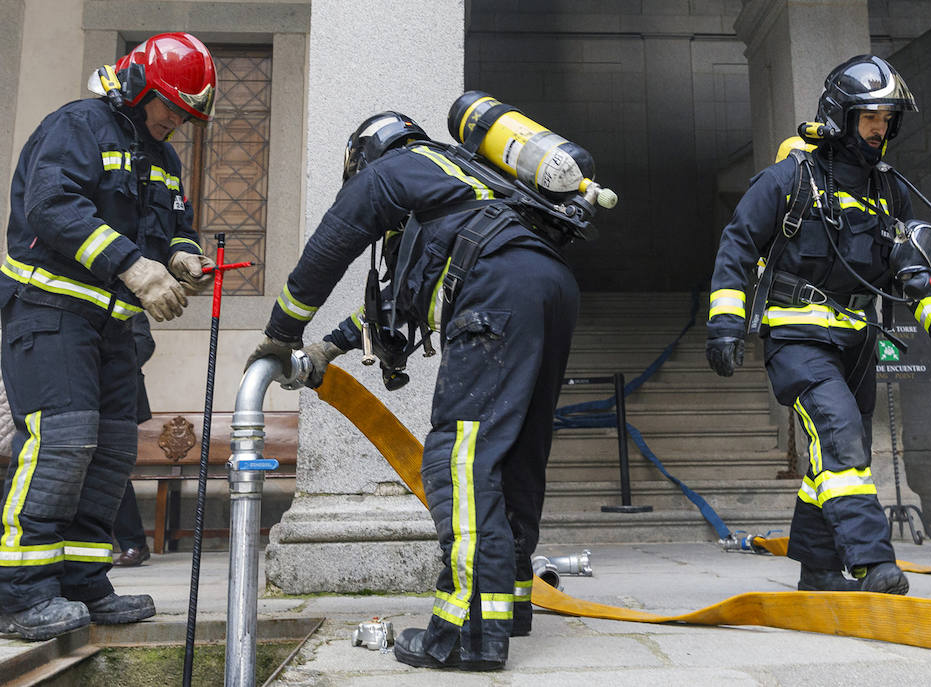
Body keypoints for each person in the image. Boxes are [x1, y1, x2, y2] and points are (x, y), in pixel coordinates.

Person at [247, 108, 586, 671]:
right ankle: (510, 604)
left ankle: (467, 631)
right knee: (517, 451)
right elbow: (394, 307)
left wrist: (282, 334)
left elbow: (332, 243)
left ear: (367, 154)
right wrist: (329, 348)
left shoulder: (396, 170)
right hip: (549, 287)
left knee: (461, 456)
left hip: (498, 290)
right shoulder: (463, 184)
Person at [705, 55, 931, 596]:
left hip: (858, 342)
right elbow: (736, 246)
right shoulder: (788, 179)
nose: (880, 129)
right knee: (841, 440)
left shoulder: (888, 190)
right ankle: (872, 562)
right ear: (841, 116)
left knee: (836, 459)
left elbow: (910, 269)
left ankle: (820, 571)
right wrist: (725, 325)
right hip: (797, 338)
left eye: (886, 118)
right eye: (869, 116)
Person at [0, 32, 216, 640]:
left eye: (186, 114)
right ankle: (18, 592)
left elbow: (176, 225)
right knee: (62, 444)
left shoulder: (164, 156)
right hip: (48, 309)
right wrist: (133, 265)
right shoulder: (77, 125)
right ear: (142, 86)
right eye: (172, 107)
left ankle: (85, 580)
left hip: (112, 323)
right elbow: (52, 208)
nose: (176, 121)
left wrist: (182, 259)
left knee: (114, 449)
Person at [111, 313, 155, 567]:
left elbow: (144, 342)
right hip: (78, 394)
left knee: (113, 470)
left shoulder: (123, 293)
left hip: (119, 396)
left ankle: (133, 543)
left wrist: (111, 365)